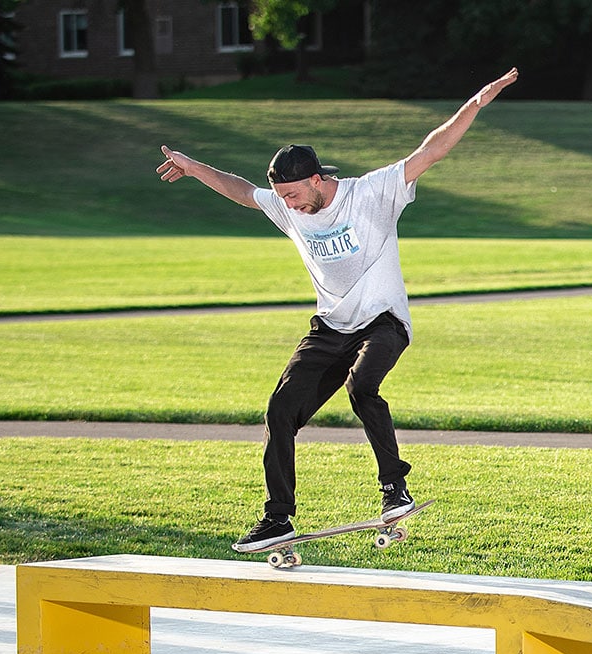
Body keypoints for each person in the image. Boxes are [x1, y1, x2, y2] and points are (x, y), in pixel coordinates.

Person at [156, 67, 520, 551]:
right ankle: (278, 518)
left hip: (383, 322)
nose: (287, 205)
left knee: (362, 385)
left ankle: (395, 490)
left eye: (293, 195)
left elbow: (431, 150)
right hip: (330, 328)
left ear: (316, 179)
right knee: (280, 411)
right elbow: (243, 191)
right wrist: (194, 166)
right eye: (282, 198)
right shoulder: (288, 206)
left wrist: (475, 102)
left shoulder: (370, 194)